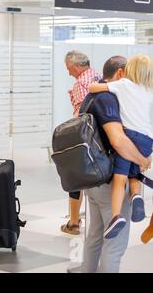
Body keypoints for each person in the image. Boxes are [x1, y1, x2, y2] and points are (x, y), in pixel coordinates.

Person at [71, 56, 151, 273]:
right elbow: (118, 140)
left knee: (95, 236)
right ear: (120, 73)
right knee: (114, 246)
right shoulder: (108, 98)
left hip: (92, 178)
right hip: (109, 181)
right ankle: (136, 194)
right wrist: (143, 160)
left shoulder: (90, 97)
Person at [89, 54, 153, 239]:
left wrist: (99, 85)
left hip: (129, 136)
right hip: (148, 140)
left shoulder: (123, 85)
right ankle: (136, 196)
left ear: (126, 71)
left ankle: (116, 216)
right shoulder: (149, 90)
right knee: (135, 171)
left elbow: (94, 87)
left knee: (120, 177)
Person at [62, 50, 102, 235]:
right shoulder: (99, 77)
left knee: (74, 177)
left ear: (77, 66)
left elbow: (81, 116)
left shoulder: (81, 83)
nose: (69, 72)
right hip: (101, 136)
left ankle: (74, 222)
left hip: (85, 136)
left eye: (69, 68)